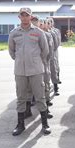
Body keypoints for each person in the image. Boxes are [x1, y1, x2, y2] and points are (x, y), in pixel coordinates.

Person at [8, 8, 51, 136]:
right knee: (21, 97)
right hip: (20, 71)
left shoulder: (38, 32)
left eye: (27, 15)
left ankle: (45, 124)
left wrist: (35, 61)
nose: (25, 18)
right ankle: (20, 124)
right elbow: (11, 51)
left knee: (40, 96)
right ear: (19, 17)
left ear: (31, 17)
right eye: (22, 15)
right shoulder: (14, 33)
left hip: (36, 70)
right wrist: (21, 60)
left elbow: (45, 50)